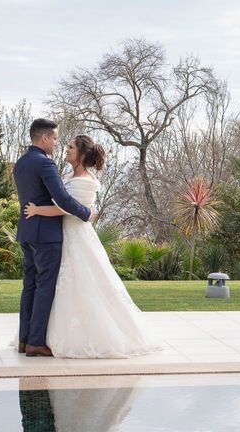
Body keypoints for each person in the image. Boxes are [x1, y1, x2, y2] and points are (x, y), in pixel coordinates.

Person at [22, 134, 162, 358]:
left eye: (70, 147)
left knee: (82, 284)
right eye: (65, 145)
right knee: (57, 286)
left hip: (75, 235)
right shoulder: (68, 175)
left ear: (82, 154)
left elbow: (66, 208)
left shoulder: (86, 181)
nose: (66, 149)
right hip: (60, 234)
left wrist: (37, 210)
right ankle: (41, 336)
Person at [13, 119, 96, 358]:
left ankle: (24, 339)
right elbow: (62, 199)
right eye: (56, 138)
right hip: (46, 235)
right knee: (44, 287)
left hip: (27, 232)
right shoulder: (45, 164)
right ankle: (36, 343)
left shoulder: (21, 163)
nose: (57, 144)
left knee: (29, 285)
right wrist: (86, 213)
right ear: (45, 138)